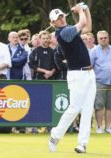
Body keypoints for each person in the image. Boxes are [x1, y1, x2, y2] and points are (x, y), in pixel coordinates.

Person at [48, 3, 96, 153]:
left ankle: (82, 144)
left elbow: (87, 27)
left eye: (62, 16)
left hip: (89, 73)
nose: (61, 19)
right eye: (58, 18)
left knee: (88, 110)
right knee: (74, 108)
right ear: (53, 23)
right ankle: (55, 135)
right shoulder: (63, 33)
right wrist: (80, 10)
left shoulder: (70, 30)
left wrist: (86, 10)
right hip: (77, 74)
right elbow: (81, 23)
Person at [90, 30, 111, 134]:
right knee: (99, 106)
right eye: (101, 38)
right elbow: (90, 66)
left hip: (110, 81)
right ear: (98, 40)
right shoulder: (94, 51)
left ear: (108, 38)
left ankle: (108, 127)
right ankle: (99, 127)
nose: (103, 40)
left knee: (109, 107)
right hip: (99, 82)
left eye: (105, 38)